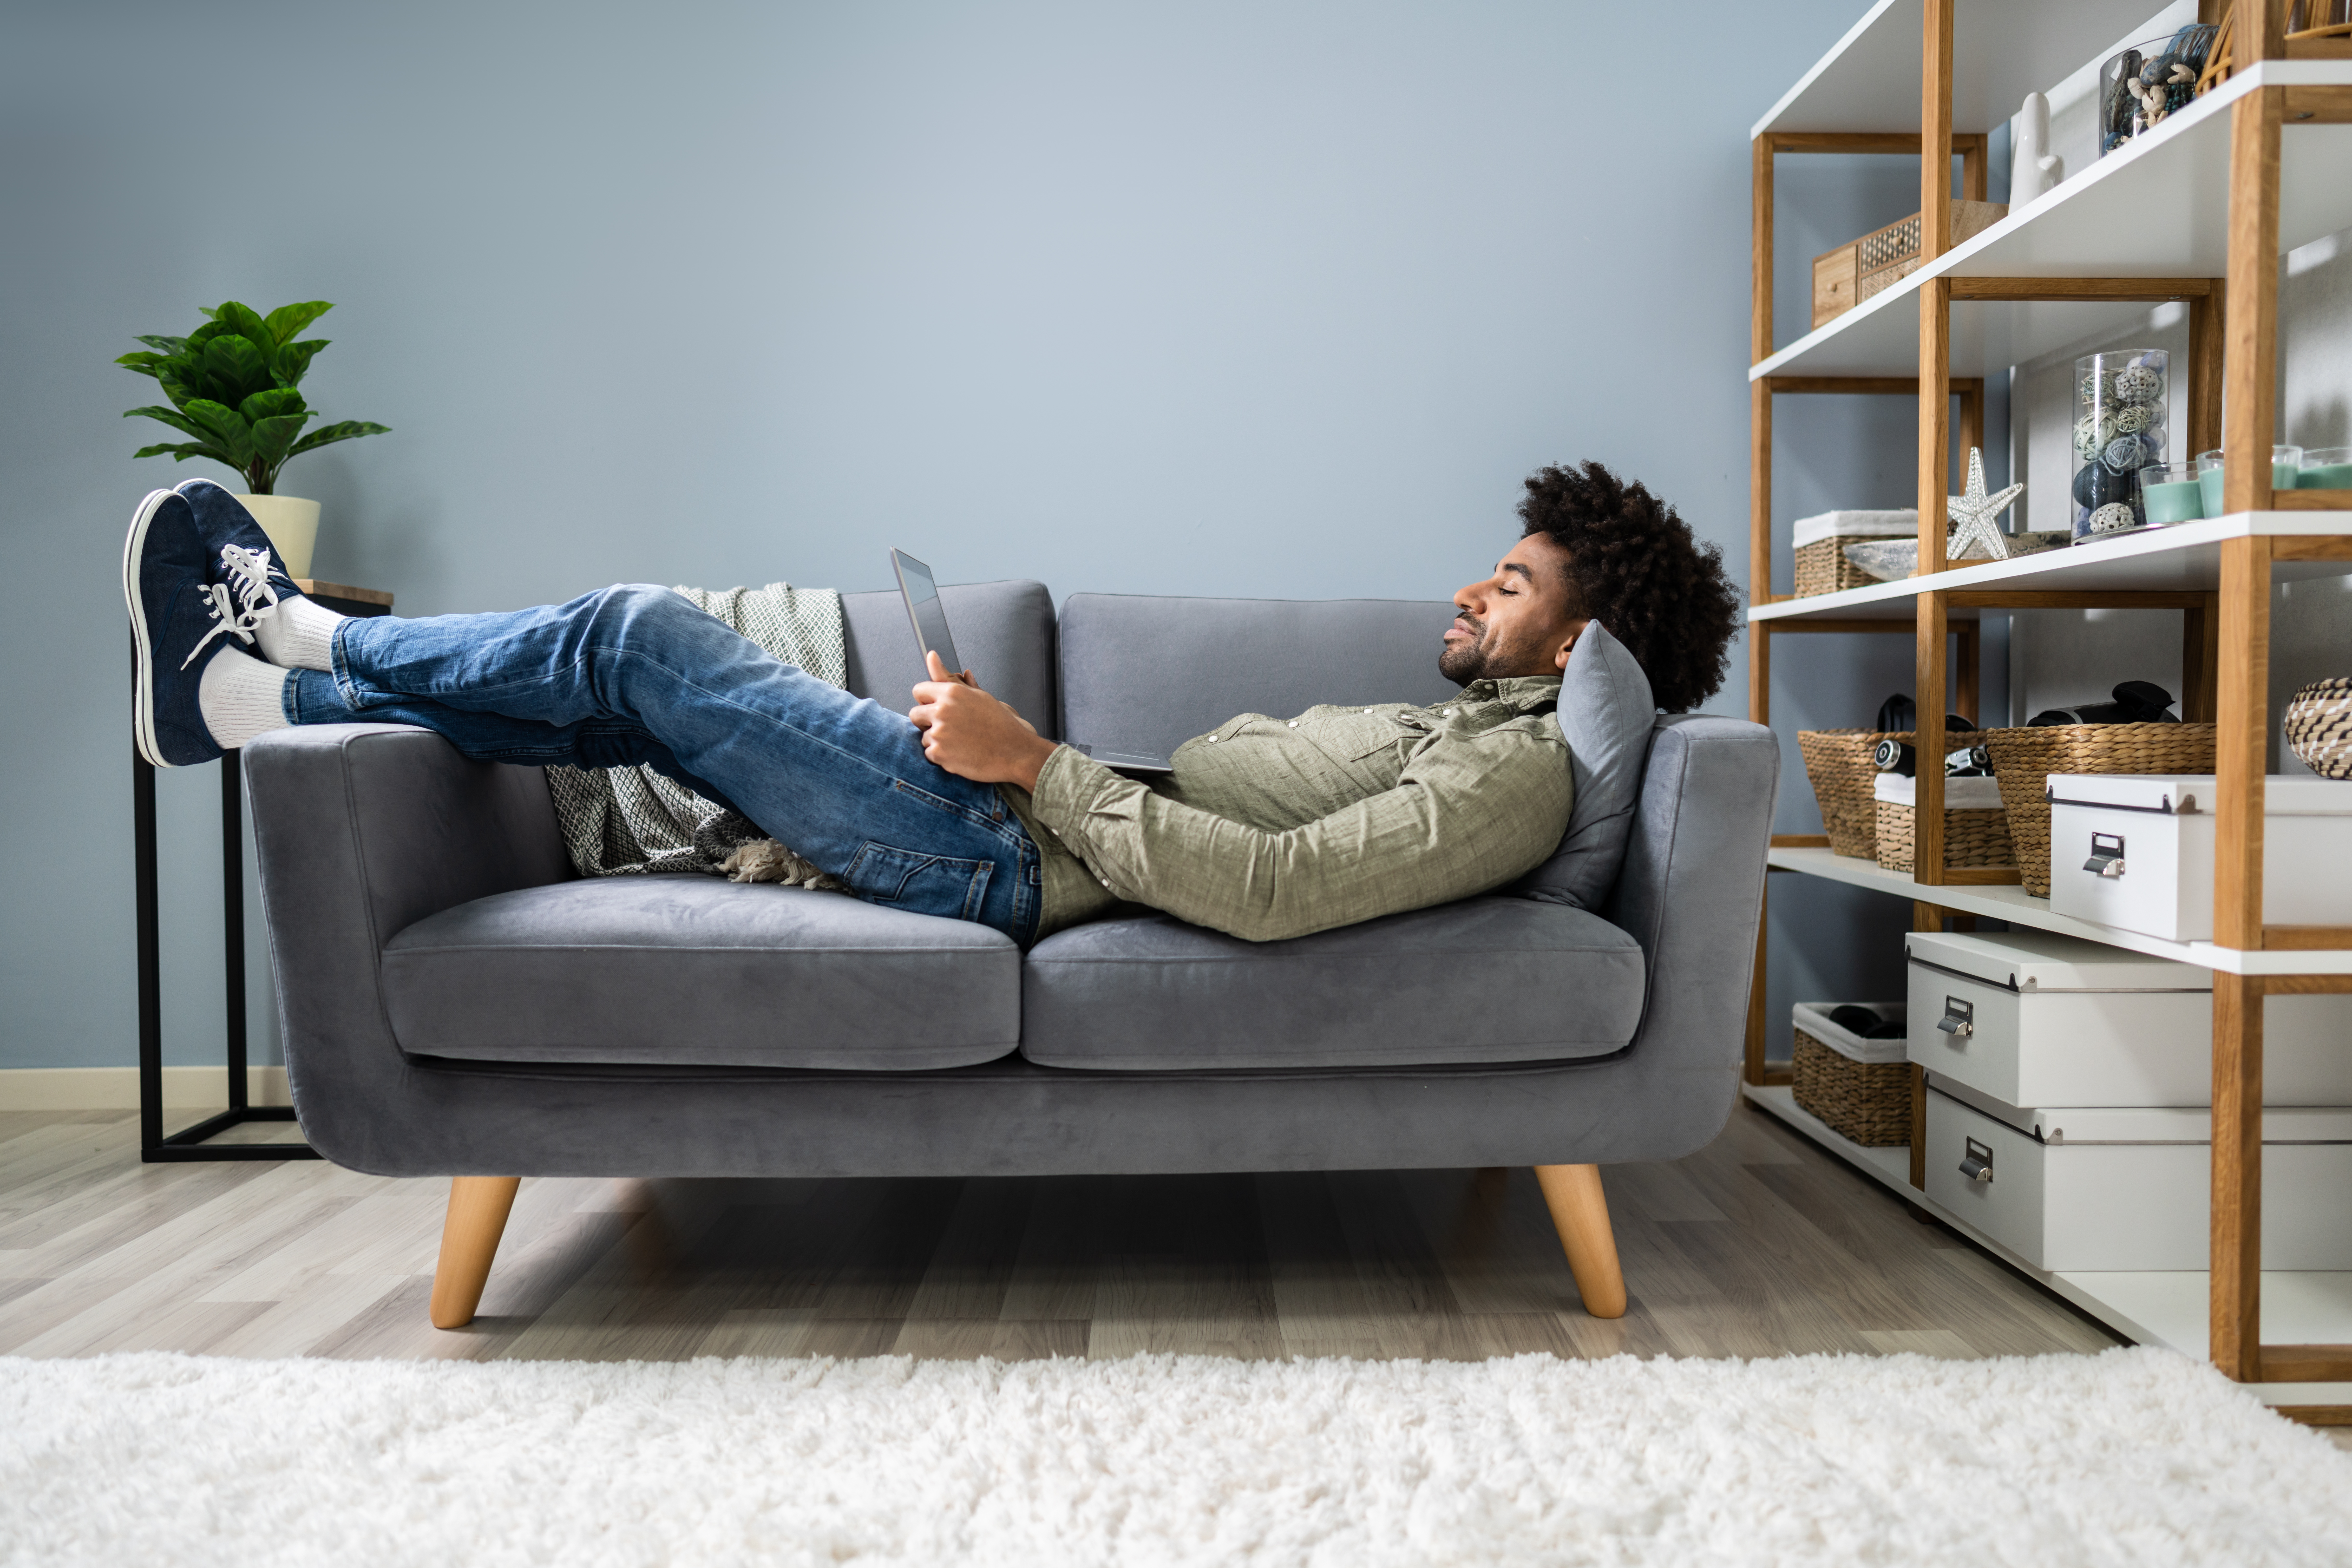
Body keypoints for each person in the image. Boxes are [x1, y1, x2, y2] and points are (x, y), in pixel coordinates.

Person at [125, 465, 1741, 947]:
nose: (1472, 590)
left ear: (1576, 649)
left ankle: (302, 633)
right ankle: (263, 701)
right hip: (1012, 815)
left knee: (639, 636)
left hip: (1008, 853)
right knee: (633, 705)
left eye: (1512, 586)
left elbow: (1272, 891)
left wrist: (1029, 763)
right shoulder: (1461, 732)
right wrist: (1020, 750)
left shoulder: (1519, 786)